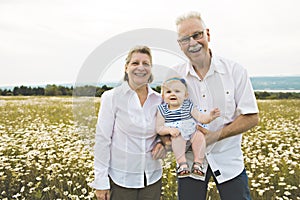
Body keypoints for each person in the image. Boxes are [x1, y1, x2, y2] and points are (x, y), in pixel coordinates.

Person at [172, 11, 259, 200]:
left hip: (229, 161)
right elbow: (168, 116)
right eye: (185, 39)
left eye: (197, 35)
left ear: (208, 34)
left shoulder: (235, 71)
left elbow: (252, 116)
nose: (193, 43)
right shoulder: (174, 76)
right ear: (180, 45)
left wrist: (214, 136)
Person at [89, 45, 166, 200]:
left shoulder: (160, 100)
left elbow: (166, 131)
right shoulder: (111, 97)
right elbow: (103, 140)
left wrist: (163, 144)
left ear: (151, 69)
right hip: (121, 180)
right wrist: (101, 182)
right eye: (135, 63)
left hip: (152, 178)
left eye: (146, 63)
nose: (140, 68)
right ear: (126, 68)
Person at [155, 77, 220, 179]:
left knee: (199, 136)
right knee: (177, 140)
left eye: (177, 91)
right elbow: (159, 128)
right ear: (163, 96)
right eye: (168, 92)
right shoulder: (162, 110)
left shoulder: (188, 106)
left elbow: (200, 117)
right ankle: (182, 165)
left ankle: (198, 163)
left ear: (185, 95)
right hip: (177, 133)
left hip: (191, 131)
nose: (173, 94)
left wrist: (209, 117)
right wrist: (170, 130)